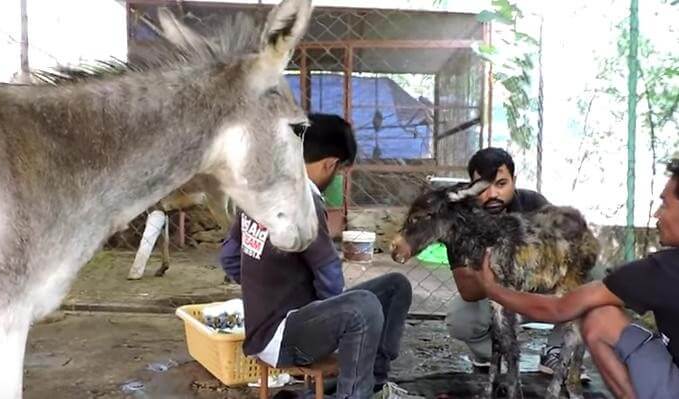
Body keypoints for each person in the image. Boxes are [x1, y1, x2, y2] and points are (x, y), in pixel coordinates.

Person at [219, 113, 413, 399]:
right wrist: (333, 324)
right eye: (338, 172)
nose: (334, 177)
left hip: (271, 328)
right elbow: (329, 274)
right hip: (283, 337)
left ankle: (374, 385)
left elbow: (229, 257)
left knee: (395, 286)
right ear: (330, 164)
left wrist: (264, 288)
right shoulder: (303, 199)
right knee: (363, 308)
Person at [474, 156, 679, 399]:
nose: (657, 213)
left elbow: (560, 308)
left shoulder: (662, 269)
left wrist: (492, 288)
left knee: (598, 315)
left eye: (664, 204)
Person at [444, 147, 576, 376]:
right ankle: (490, 353)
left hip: (534, 293)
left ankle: (556, 351)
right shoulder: (460, 221)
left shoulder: (533, 204)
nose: (492, 194)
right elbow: (467, 290)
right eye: (483, 186)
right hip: (493, 297)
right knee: (460, 318)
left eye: (501, 184)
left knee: (589, 275)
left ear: (514, 181)